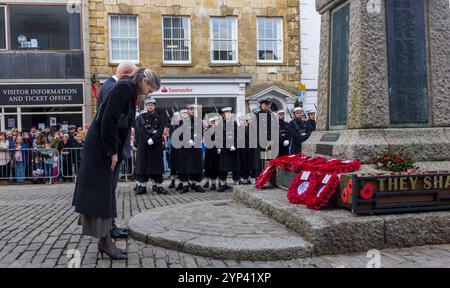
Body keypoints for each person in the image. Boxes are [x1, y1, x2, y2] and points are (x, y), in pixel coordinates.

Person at [73, 68, 161, 260]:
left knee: (105, 194)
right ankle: (104, 242)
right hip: (102, 150)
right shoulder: (124, 88)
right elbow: (108, 121)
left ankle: (105, 240)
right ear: (144, 80)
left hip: (104, 148)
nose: (149, 94)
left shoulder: (129, 91)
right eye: (150, 89)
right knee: (101, 195)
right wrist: (112, 152)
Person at [134, 98, 167, 195]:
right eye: (148, 105)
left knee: (156, 166)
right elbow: (139, 130)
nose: (150, 106)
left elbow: (161, 130)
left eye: (152, 105)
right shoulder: (141, 117)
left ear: (154, 106)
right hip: (144, 145)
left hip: (155, 145)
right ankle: (142, 187)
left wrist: (153, 139)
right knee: (143, 166)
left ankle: (159, 186)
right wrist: (147, 139)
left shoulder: (160, 117)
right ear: (146, 106)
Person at [175, 104, 205, 194]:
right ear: (187, 110)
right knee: (184, 166)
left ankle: (197, 184)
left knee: (197, 165)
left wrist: (196, 140)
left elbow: (201, 133)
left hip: (196, 147)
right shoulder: (182, 121)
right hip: (185, 148)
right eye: (190, 109)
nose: (192, 111)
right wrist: (188, 139)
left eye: (194, 109)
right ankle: (185, 185)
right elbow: (179, 134)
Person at [217, 107, 241, 192]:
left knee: (235, 168)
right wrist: (219, 147)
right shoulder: (220, 125)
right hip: (224, 149)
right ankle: (223, 185)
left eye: (229, 113)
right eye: (226, 113)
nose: (228, 115)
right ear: (223, 115)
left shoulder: (234, 124)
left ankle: (237, 185)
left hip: (234, 149)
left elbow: (238, 136)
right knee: (224, 168)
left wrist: (235, 145)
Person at [202, 116, 220, 191]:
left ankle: (215, 183)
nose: (212, 123)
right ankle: (207, 182)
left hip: (216, 151)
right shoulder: (207, 129)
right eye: (211, 122)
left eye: (214, 122)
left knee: (215, 167)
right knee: (207, 166)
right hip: (209, 150)